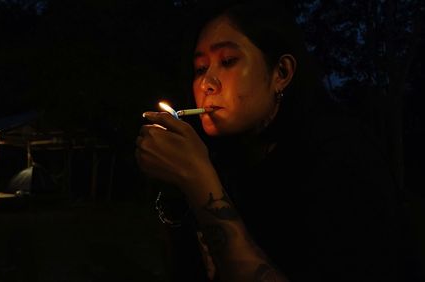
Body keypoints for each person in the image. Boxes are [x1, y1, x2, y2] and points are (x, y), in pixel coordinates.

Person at [135, 1, 416, 281]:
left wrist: (199, 181)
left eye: (228, 61)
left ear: (280, 73)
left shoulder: (343, 159)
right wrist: (175, 189)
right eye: (200, 68)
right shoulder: (231, 155)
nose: (207, 83)